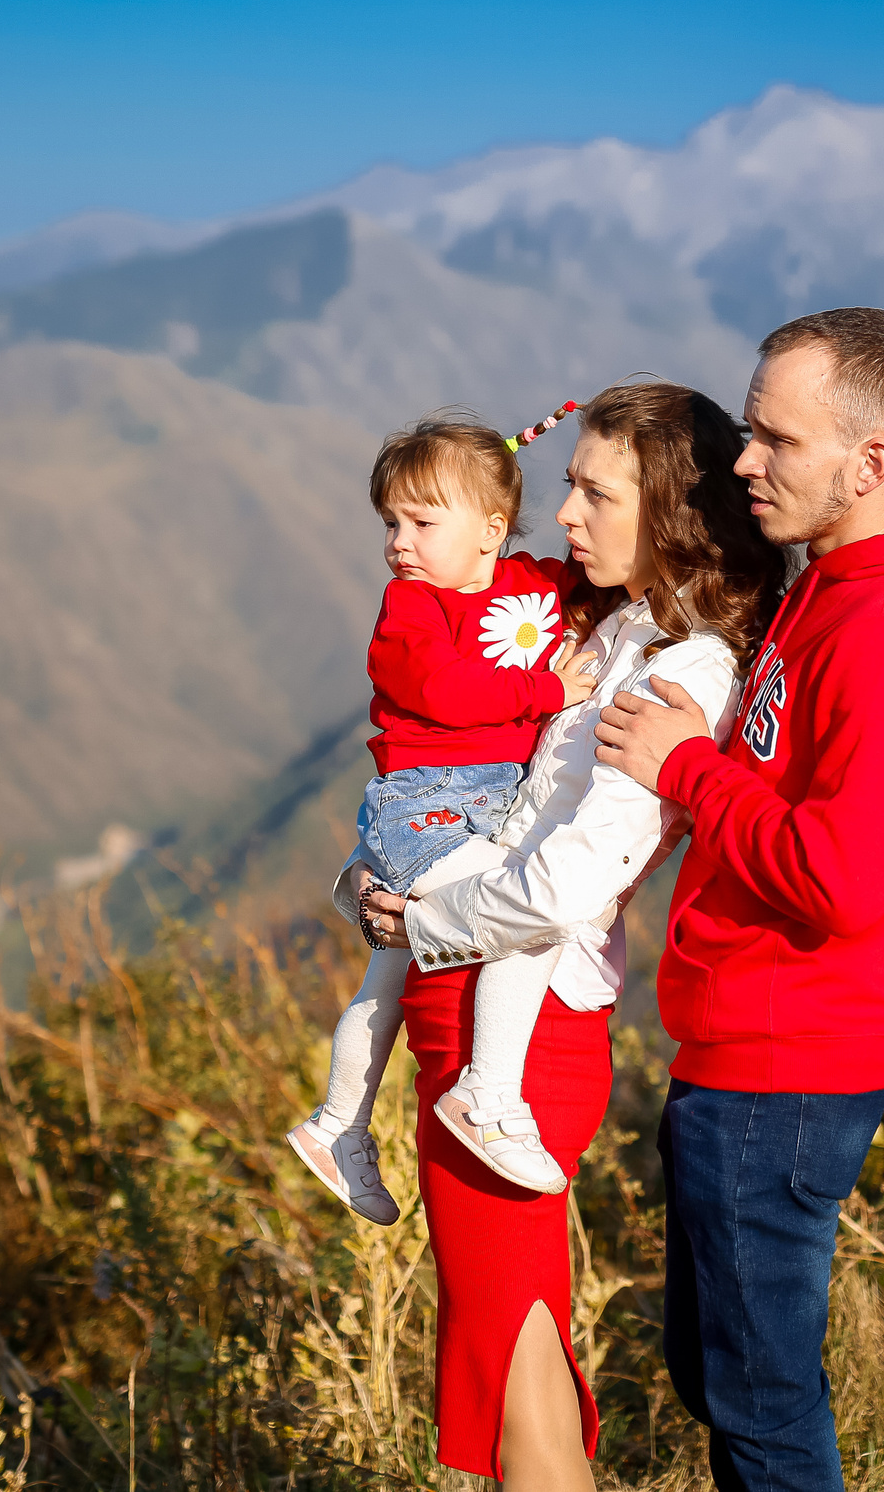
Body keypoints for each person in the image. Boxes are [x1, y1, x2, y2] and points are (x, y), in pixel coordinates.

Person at [594, 308, 884, 1492]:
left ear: (870, 463)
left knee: (761, 1412)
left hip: (787, 1066)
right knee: (720, 1380)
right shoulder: (828, 589)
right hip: (738, 1055)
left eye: (777, 440)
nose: (744, 462)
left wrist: (687, 769)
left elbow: (843, 880)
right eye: (749, 430)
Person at [364, 382, 786, 1488]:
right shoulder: (621, 630)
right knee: (513, 1349)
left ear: (673, 512)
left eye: (597, 494)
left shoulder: (683, 670)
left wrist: (424, 920)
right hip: (479, 999)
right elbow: (490, 801)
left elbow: (567, 882)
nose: (562, 515)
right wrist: (384, 877)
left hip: (520, 1023)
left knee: (516, 1379)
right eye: (569, 485)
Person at [286, 416, 598, 1223]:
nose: (400, 542)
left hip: (476, 805)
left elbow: (595, 576)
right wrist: (546, 692)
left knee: (385, 983)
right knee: (532, 918)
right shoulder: (408, 611)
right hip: (424, 807)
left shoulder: (534, 583)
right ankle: (487, 1095)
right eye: (391, 522)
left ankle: (335, 1124)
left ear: (492, 529)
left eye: (423, 522)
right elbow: (444, 691)